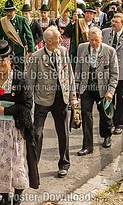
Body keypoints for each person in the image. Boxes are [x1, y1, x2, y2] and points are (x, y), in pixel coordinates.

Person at [0, 40, 39, 205]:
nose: (0, 63)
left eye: (3, 59)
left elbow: (27, 105)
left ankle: (17, 197)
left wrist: (7, 111)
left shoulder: (19, 79)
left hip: (15, 129)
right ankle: (4, 197)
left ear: (10, 59)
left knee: (16, 162)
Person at [27, 27, 77, 178]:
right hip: (42, 99)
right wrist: (28, 106)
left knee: (63, 132)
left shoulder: (62, 51)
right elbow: (30, 82)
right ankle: (33, 166)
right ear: (49, 41)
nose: (61, 40)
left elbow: (70, 75)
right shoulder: (36, 57)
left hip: (61, 99)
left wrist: (73, 97)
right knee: (37, 133)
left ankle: (64, 164)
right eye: (58, 38)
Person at [75, 27, 119, 156]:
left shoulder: (110, 51)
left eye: (96, 40)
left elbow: (114, 73)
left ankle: (106, 136)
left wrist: (110, 91)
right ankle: (87, 145)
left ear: (101, 39)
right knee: (85, 114)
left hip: (103, 88)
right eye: (91, 40)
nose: (94, 43)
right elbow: (78, 68)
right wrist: (76, 86)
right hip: (86, 87)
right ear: (88, 38)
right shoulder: (82, 48)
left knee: (105, 114)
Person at [0, 0, 35, 72]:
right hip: (8, 51)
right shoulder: (3, 21)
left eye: (10, 11)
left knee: (19, 71)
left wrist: (31, 50)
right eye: (7, 11)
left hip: (19, 51)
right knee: (9, 71)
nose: (9, 13)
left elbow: (29, 35)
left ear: (14, 11)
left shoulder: (22, 20)